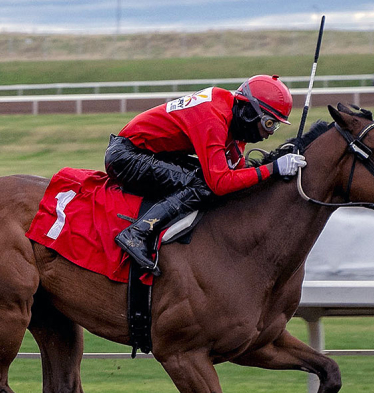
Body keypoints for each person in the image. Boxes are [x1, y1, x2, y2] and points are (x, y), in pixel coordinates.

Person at [105, 74, 306, 276]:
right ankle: (137, 233)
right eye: (269, 123)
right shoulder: (213, 116)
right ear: (249, 112)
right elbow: (219, 182)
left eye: (276, 126)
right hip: (126, 157)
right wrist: (273, 169)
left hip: (147, 153)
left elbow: (236, 174)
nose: (270, 132)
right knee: (204, 184)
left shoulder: (230, 117)